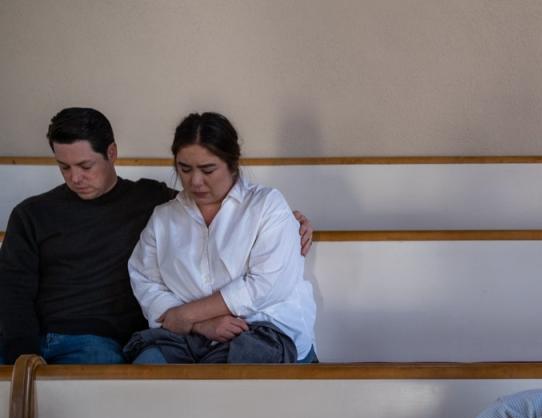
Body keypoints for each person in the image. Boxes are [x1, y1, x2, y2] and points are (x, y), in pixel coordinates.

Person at [0, 107, 312, 365]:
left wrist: (290, 221)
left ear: (112, 153)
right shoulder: (32, 214)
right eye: (63, 167)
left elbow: (229, 209)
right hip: (39, 337)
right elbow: (13, 290)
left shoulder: (149, 199)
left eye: (85, 165)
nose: (75, 178)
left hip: (99, 341)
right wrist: (22, 361)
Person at [124, 112, 316, 364]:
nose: (195, 181)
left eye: (208, 169)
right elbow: (146, 280)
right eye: (184, 169)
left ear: (232, 163)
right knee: (147, 365)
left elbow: (266, 285)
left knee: (221, 375)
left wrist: (187, 314)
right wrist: (200, 324)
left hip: (261, 328)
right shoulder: (163, 217)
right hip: (190, 334)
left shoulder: (267, 205)